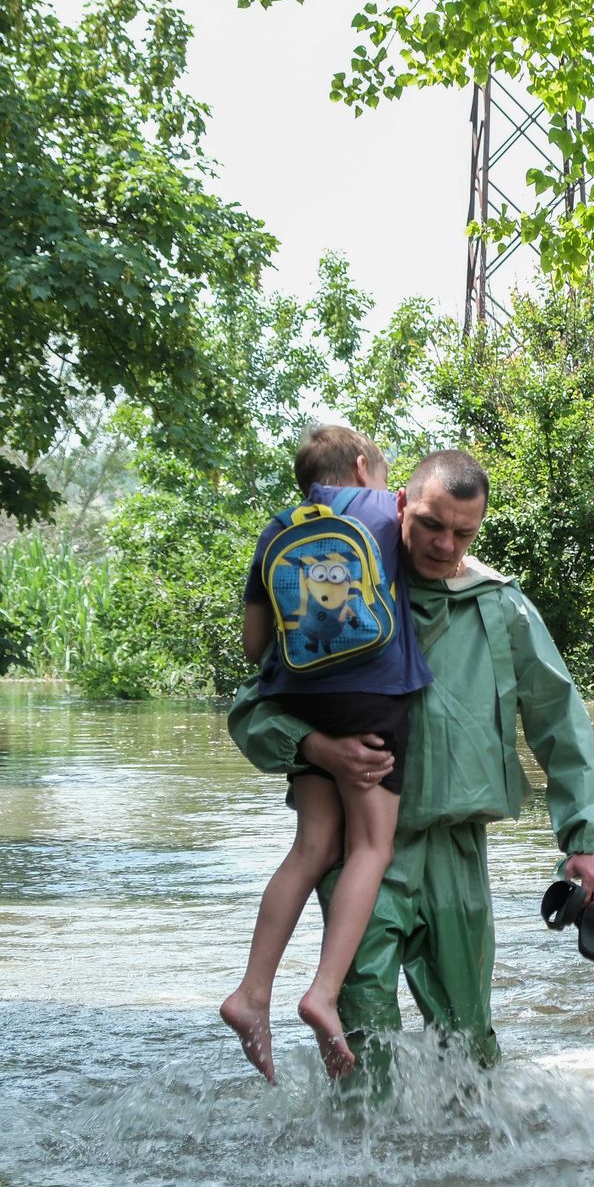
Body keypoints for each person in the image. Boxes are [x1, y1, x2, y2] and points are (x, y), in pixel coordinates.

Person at [228, 449, 594, 1069]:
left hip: (459, 854)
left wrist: (586, 840)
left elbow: (560, 725)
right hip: (363, 856)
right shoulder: (347, 593)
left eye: (463, 532)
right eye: (431, 524)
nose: (444, 544)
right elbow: (252, 711)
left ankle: (470, 1163)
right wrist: (319, 747)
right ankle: (359, 1160)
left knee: (470, 1046)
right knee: (361, 1049)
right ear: (400, 505)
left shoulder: (500, 605)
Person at [221, 424, 432, 1083]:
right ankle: (323, 991)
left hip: (301, 702)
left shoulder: (277, 530)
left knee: (312, 847)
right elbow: (435, 553)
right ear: (365, 465)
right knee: (372, 847)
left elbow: (255, 646)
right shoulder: (387, 509)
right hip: (372, 699)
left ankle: (252, 992)